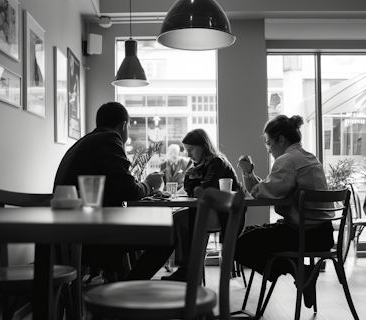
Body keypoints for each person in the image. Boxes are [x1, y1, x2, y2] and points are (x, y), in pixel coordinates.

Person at [234, 115, 333, 309]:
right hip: (323, 233)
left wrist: (247, 173)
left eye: (268, 143)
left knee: (239, 245)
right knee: (250, 234)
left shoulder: (287, 160)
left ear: (280, 140)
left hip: (304, 235)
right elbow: (270, 190)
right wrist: (251, 175)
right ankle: (300, 272)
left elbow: (263, 194)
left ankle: (298, 272)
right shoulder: (309, 157)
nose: (269, 149)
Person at [53, 101, 164, 274]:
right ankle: (129, 288)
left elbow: (117, 185)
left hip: (68, 235)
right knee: (166, 237)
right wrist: (150, 185)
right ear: (124, 125)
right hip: (95, 236)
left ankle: (123, 283)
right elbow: (128, 190)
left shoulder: (81, 143)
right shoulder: (110, 139)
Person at [126, 128, 243, 282]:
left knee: (180, 219)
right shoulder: (201, 165)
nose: (188, 154)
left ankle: (188, 270)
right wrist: (191, 175)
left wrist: (194, 179)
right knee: (176, 218)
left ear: (204, 145)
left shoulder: (217, 161)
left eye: (191, 149)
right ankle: (187, 269)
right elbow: (190, 189)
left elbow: (204, 190)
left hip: (224, 215)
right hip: (212, 211)